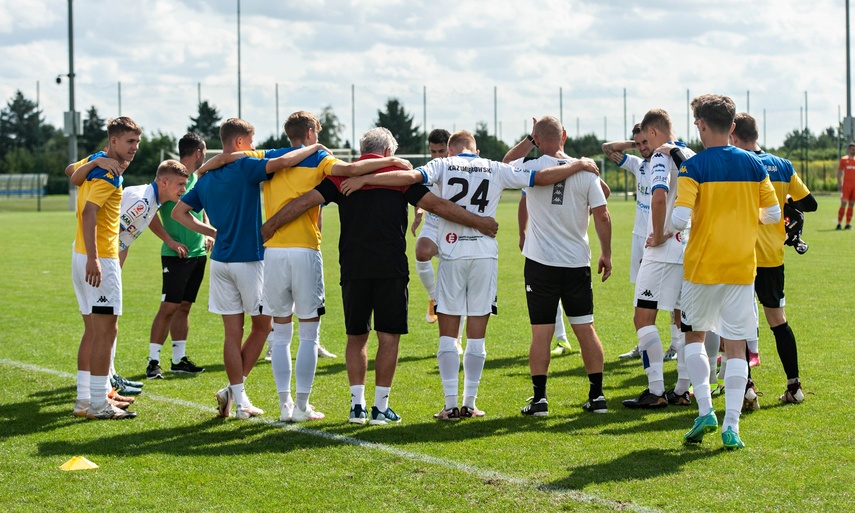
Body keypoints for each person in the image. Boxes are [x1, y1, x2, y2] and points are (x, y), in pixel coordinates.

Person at [340, 129, 600, 421]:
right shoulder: (494, 167)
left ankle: (450, 405)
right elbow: (540, 178)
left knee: (448, 335)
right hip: (484, 254)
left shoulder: (443, 164)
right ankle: (470, 403)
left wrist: (366, 179)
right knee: (477, 337)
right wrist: (577, 165)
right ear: (476, 151)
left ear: (451, 151)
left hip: (451, 253)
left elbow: (410, 177)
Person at [261, 127, 498, 425]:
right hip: (390, 268)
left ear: (363, 150)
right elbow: (437, 206)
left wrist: (271, 224)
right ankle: (380, 408)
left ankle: (356, 407)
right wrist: (479, 222)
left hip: (353, 267)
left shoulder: (342, 176)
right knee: (388, 337)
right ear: (388, 152)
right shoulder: (398, 177)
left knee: (356, 337)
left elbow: (305, 201)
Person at [195, 112, 411, 422]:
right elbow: (351, 170)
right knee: (309, 334)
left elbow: (228, 157)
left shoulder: (268, 155)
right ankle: (302, 406)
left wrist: (203, 167)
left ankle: (284, 407)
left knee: (281, 334)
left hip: (273, 252)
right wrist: (392, 161)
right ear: (310, 132)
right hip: (305, 250)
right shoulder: (319, 156)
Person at [171, 117, 328, 420]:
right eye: (252, 141)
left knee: (232, 334)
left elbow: (179, 212)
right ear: (240, 142)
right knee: (264, 327)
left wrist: (212, 232)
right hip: (250, 259)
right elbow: (285, 161)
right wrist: (316, 147)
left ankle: (237, 397)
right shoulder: (245, 166)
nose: (254, 147)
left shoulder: (207, 177)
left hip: (220, 262)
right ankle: (236, 395)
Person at [673, 94, 779, 449]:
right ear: (732, 127)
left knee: (694, 338)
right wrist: (748, 218)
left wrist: (681, 226)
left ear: (700, 125)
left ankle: (705, 410)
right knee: (737, 347)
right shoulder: (754, 164)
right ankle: (731, 425)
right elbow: (773, 214)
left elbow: (679, 218)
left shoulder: (693, 166)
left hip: (702, 268)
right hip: (741, 268)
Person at [503, 116, 612, 416]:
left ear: (536, 140)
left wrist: (531, 139)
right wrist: (607, 253)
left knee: (542, 333)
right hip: (577, 263)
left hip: (541, 264)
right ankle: (597, 396)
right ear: (565, 135)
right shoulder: (586, 170)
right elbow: (603, 212)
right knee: (585, 329)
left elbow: (506, 163)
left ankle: (540, 400)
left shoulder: (530, 167)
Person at [730, 112, 817, 403]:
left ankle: (746, 388)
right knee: (778, 321)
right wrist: (787, 201)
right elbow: (810, 204)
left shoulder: (736, 163)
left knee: (738, 324)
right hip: (772, 256)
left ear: (733, 135)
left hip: (740, 254)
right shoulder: (782, 165)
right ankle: (795, 387)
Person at [619, 110, 696, 410]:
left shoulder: (660, 156)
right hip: (688, 246)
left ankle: (656, 391)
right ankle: (682, 389)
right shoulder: (690, 154)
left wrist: (662, 234)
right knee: (685, 321)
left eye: (646, 139)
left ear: (652, 131)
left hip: (663, 250)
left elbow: (660, 195)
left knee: (643, 317)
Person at [603, 125, 678, 363]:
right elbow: (607, 148)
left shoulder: (666, 161)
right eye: (639, 144)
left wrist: (648, 144)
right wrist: (634, 145)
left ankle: (675, 344)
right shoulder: (638, 164)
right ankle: (643, 343)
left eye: (646, 141)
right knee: (642, 294)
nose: (643, 147)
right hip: (640, 238)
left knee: (673, 294)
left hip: (663, 236)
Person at [144, 133, 212, 380]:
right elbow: (149, 213)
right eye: (205, 151)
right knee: (169, 307)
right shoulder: (170, 178)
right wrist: (170, 241)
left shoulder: (195, 179)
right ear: (199, 152)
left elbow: (200, 209)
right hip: (175, 256)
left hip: (198, 253)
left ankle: (178, 360)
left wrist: (207, 231)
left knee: (184, 307)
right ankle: (153, 362)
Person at [837, 142, 855, 229]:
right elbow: (839, 172)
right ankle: (839, 223)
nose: (853, 150)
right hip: (846, 185)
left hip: (854, 186)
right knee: (843, 202)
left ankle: (848, 224)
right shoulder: (844, 159)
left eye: (854, 149)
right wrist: (839, 183)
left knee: (851, 204)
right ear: (849, 149)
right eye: (852, 149)